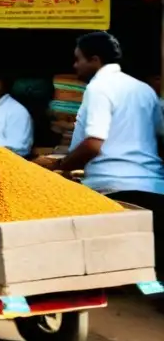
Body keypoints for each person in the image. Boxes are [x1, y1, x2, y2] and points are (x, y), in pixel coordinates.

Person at [59, 32, 164, 280]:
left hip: (112, 189)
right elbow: (160, 132)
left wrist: (63, 167)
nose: (75, 67)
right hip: (153, 186)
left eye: (78, 60)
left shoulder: (98, 88)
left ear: (94, 60)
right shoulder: (144, 89)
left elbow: (94, 144)